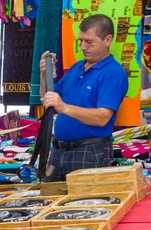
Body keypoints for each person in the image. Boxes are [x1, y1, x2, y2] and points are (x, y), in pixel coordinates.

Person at [40, 14, 128, 182]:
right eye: (81, 41)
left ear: (107, 40)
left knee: (84, 204)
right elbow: (47, 98)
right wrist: (44, 76)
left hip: (89, 152)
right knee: (48, 200)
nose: (83, 46)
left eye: (89, 42)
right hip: (58, 152)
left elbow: (103, 117)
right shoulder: (77, 67)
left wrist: (64, 107)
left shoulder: (114, 73)